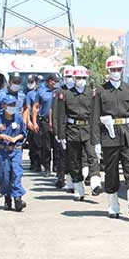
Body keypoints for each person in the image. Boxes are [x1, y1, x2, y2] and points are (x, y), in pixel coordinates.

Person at [91, 55, 129, 217]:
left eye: (118, 69)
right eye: (113, 70)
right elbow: (94, 118)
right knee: (111, 171)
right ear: (108, 71)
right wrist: (96, 141)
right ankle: (113, 204)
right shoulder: (101, 91)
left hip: (128, 134)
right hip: (109, 135)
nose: (116, 73)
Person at [56, 65, 102, 201]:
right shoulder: (66, 95)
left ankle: (95, 182)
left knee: (92, 156)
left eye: (83, 78)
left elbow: (95, 115)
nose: (80, 80)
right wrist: (61, 135)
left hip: (88, 129)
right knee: (74, 161)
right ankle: (78, 188)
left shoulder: (91, 94)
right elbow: (61, 116)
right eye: (78, 78)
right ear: (74, 78)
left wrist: (97, 132)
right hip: (73, 130)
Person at [0, 74, 27, 197]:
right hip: (2, 127)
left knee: (16, 170)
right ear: (9, 82)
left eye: (18, 82)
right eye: (14, 82)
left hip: (17, 127)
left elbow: (25, 108)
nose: (16, 84)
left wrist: (25, 122)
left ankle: (16, 195)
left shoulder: (22, 95)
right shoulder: (0, 95)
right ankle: (2, 186)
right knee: (3, 168)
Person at [52, 66, 74, 189]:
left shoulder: (77, 91)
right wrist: (56, 131)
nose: (69, 79)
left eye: (71, 76)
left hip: (74, 129)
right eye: (67, 77)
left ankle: (73, 178)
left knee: (74, 155)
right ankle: (60, 177)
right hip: (62, 128)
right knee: (61, 153)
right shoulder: (59, 92)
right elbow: (55, 113)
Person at [31, 74, 58, 177]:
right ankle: (47, 167)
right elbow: (35, 107)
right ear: (48, 81)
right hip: (44, 121)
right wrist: (34, 122)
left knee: (57, 145)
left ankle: (56, 167)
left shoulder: (59, 91)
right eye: (53, 81)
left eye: (56, 81)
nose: (55, 82)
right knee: (45, 146)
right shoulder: (41, 92)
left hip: (57, 122)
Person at [25, 74, 42, 171]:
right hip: (32, 119)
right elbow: (28, 108)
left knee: (40, 144)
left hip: (41, 120)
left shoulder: (41, 92)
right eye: (29, 82)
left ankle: (40, 163)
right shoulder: (29, 94)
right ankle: (34, 163)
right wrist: (29, 122)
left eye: (32, 82)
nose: (30, 84)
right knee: (33, 144)